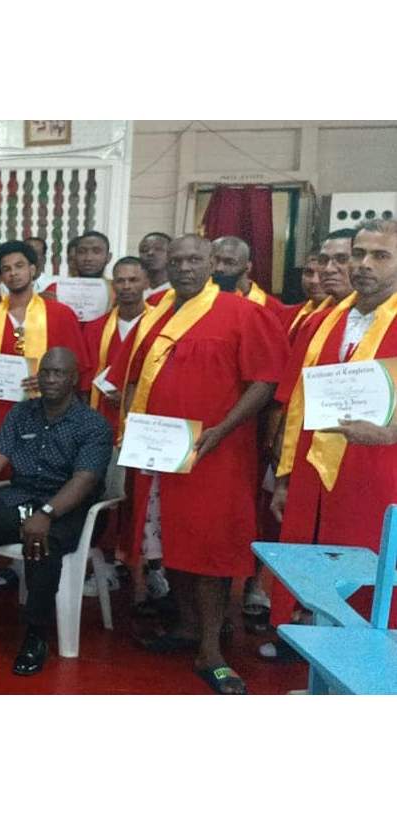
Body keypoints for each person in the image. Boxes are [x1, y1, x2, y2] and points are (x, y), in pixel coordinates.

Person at [107, 234, 287, 694]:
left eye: (194, 259)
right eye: (177, 259)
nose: (184, 267)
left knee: (209, 550)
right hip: (161, 454)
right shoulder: (157, 316)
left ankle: (211, 649)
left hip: (216, 454)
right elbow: (129, 377)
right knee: (174, 542)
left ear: (212, 264)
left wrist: (223, 429)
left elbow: (264, 382)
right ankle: (187, 627)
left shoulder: (243, 313)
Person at [0, 348, 113, 675]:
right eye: (45, 372)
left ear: (74, 379)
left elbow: (84, 479)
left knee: (40, 547)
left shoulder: (93, 424)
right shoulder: (22, 414)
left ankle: (36, 635)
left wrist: (46, 514)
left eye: (59, 373)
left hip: (67, 507)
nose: (50, 379)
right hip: (19, 498)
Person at [268, 219, 397, 652]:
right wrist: (284, 478)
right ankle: (324, 670)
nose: (363, 265)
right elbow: (296, 405)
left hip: (381, 472)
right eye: (357, 254)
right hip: (316, 470)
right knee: (319, 569)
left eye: (380, 256)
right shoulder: (323, 321)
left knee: (375, 582)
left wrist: (388, 434)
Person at [0, 240, 89, 451]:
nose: (13, 273)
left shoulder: (60, 314)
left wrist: (49, 380)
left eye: (19, 266)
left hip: (52, 413)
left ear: (33, 270)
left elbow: (77, 370)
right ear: (1, 276)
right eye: (6, 269)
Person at [83, 257, 148, 434]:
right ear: (113, 285)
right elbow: (85, 383)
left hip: (145, 422)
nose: (126, 286)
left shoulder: (161, 325)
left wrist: (130, 398)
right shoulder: (95, 328)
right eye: (120, 281)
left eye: (133, 280)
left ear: (146, 283)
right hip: (101, 418)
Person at [210, 236, 291, 322]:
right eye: (216, 261)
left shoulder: (272, 309)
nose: (219, 268)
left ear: (248, 267)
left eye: (230, 262)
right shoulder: (199, 301)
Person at [283, 248, 329, 340]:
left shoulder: (339, 319)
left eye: (322, 274)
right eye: (309, 273)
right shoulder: (290, 314)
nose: (314, 281)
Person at [139, 232, 172, 300]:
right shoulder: (133, 290)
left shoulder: (178, 290)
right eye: (144, 250)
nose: (150, 253)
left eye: (158, 249)